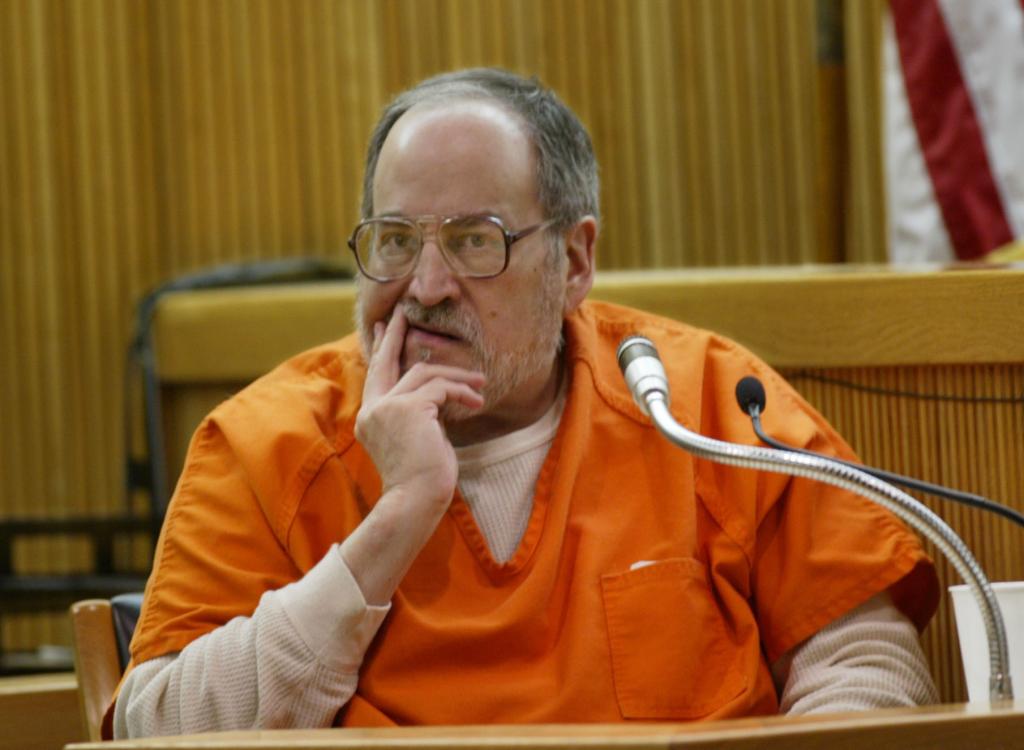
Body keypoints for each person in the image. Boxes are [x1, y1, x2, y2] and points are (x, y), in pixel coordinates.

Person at [109, 68, 939, 738]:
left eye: (475, 241)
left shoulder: (702, 404)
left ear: (574, 262)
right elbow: (158, 726)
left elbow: (865, 662)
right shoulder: (265, 443)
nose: (425, 287)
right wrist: (395, 520)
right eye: (396, 241)